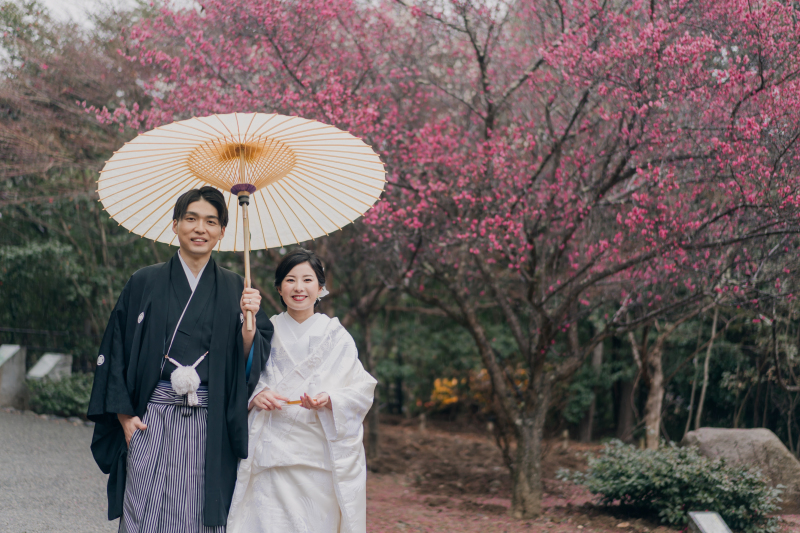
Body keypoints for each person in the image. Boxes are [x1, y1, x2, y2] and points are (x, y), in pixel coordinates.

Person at [87, 186, 273, 532]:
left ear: (221, 231)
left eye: (211, 221)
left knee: (197, 513)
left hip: (208, 419)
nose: (200, 228)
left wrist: (249, 324)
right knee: (143, 508)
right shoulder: (144, 281)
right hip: (151, 414)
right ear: (175, 225)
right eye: (191, 218)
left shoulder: (237, 288)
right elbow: (116, 350)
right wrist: (125, 416)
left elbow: (251, 360)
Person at [227, 248, 377, 533]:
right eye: (290, 280)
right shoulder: (264, 329)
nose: (299, 288)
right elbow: (241, 377)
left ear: (321, 288)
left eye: (307, 280)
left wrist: (331, 399)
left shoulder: (337, 336)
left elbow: (362, 389)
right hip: (270, 454)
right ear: (279, 288)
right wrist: (257, 394)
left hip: (317, 457)